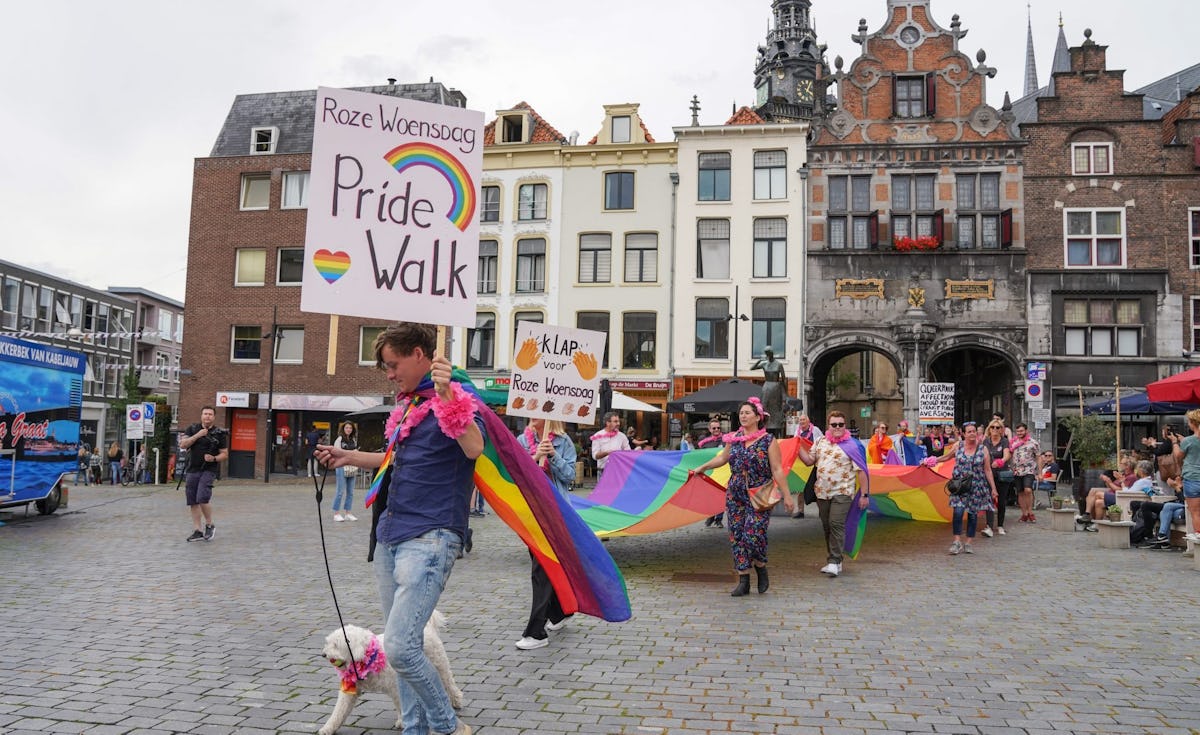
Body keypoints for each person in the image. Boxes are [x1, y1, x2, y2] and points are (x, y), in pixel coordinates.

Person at [315, 322, 480, 735]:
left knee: (401, 648)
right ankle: (414, 727)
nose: (389, 374)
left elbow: (474, 447)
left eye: (393, 365)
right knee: (400, 647)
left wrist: (448, 397)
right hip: (390, 534)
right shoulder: (407, 406)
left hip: (431, 535)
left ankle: (446, 725)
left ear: (419, 355)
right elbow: (391, 460)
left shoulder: (454, 398)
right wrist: (345, 455)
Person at [692, 398, 793, 595]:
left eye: (747, 412)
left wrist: (787, 496)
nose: (743, 416)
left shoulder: (768, 441)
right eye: (741, 413)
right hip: (736, 492)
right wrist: (703, 467)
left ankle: (761, 567)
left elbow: (777, 469)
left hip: (760, 493)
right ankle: (743, 579)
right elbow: (722, 458)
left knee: (752, 535)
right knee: (737, 536)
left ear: (758, 417)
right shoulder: (735, 438)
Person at [515, 418, 577, 650]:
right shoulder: (522, 440)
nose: (532, 415)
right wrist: (533, 457)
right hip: (531, 512)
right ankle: (559, 612)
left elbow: (570, 476)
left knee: (541, 569)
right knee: (541, 564)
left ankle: (536, 632)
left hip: (555, 512)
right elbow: (516, 473)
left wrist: (553, 455)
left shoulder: (563, 442)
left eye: (538, 411)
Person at [795, 410, 868, 577]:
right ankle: (835, 560)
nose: (837, 427)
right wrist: (797, 447)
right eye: (834, 424)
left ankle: (834, 561)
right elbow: (809, 461)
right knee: (827, 526)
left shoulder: (853, 445)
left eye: (840, 425)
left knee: (836, 523)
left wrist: (864, 495)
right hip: (822, 492)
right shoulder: (820, 441)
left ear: (845, 426)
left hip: (843, 491)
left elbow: (861, 471)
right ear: (828, 426)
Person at [928, 421, 996, 555]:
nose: (972, 434)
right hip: (959, 485)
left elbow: (987, 470)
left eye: (974, 431)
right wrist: (932, 461)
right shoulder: (958, 446)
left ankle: (969, 542)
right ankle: (956, 541)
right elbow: (946, 457)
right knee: (958, 512)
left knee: (972, 515)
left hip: (976, 485)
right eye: (969, 431)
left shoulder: (983, 449)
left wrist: (993, 488)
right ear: (963, 434)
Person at [179, 406, 228, 542]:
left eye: (210, 414)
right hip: (192, 469)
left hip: (208, 469)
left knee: (202, 497)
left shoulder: (219, 433)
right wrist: (198, 435)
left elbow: (224, 454)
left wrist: (214, 458)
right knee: (193, 500)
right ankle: (197, 530)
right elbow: (183, 445)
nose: (207, 416)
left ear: (214, 417)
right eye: (205, 414)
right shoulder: (192, 429)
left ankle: (209, 524)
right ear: (201, 416)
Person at [1170, 409, 1200, 548]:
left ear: (1193, 423)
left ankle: (1199, 534)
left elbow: (1178, 456)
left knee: (1195, 511)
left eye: (1189, 421)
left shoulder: (1188, 441)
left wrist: (1176, 443)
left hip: (1192, 477)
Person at [980, 420, 1012, 536]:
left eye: (998, 427)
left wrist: (1001, 461)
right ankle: (989, 526)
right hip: (989, 474)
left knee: (1001, 501)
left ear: (1001, 430)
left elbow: (1007, 454)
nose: (995, 429)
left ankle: (1000, 525)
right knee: (989, 499)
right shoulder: (986, 442)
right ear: (989, 429)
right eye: (993, 427)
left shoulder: (1004, 441)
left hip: (1002, 474)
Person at [697, 417, 727, 528]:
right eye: (714, 428)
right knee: (710, 497)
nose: (717, 430)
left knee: (721, 496)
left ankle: (718, 519)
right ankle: (710, 516)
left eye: (718, 428)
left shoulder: (726, 440)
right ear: (710, 429)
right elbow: (700, 457)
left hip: (723, 472)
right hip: (710, 473)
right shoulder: (704, 443)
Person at [750, 346, 786, 436]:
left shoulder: (778, 364)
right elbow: (752, 368)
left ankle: (776, 427)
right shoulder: (764, 364)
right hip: (766, 388)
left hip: (776, 387)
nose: (768, 355)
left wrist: (785, 394)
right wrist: (759, 360)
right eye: (766, 354)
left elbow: (783, 379)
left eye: (769, 353)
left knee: (776, 409)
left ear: (772, 353)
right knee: (765, 407)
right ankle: (764, 425)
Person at [1010, 423, 1040, 523]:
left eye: (1021, 431)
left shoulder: (1033, 442)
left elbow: (1038, 457)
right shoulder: (1013, 443)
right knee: (1020, 492)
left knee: (1028, 490)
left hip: (1029, 470)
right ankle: (1024, 514)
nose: (1019, 433)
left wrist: (1039, 472)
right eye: (1018, 431)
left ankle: (1030, 512)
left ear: (1026, 431)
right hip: (1017, 470)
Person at [331, 421, 359, 522]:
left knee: (351, 492)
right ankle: (336, 513)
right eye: (347, 428)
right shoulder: (339, 439)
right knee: (340, 491)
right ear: (343, 429)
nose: (348, 430)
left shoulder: (353, 440)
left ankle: (348, 512)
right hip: (341, 467)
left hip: (352, 467)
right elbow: (336, 452)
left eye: (350, 428)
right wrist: (351, 453)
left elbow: (355, 452)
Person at [590, 413, 631, 478]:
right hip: (603, 472)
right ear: (608, 423)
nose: (618, 424)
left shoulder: (622, 436)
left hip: (618, 472)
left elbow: (628, 453)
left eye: (618, 421)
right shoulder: (597, 436)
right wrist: (607, 453)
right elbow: (595, 456)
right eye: (615, 421)